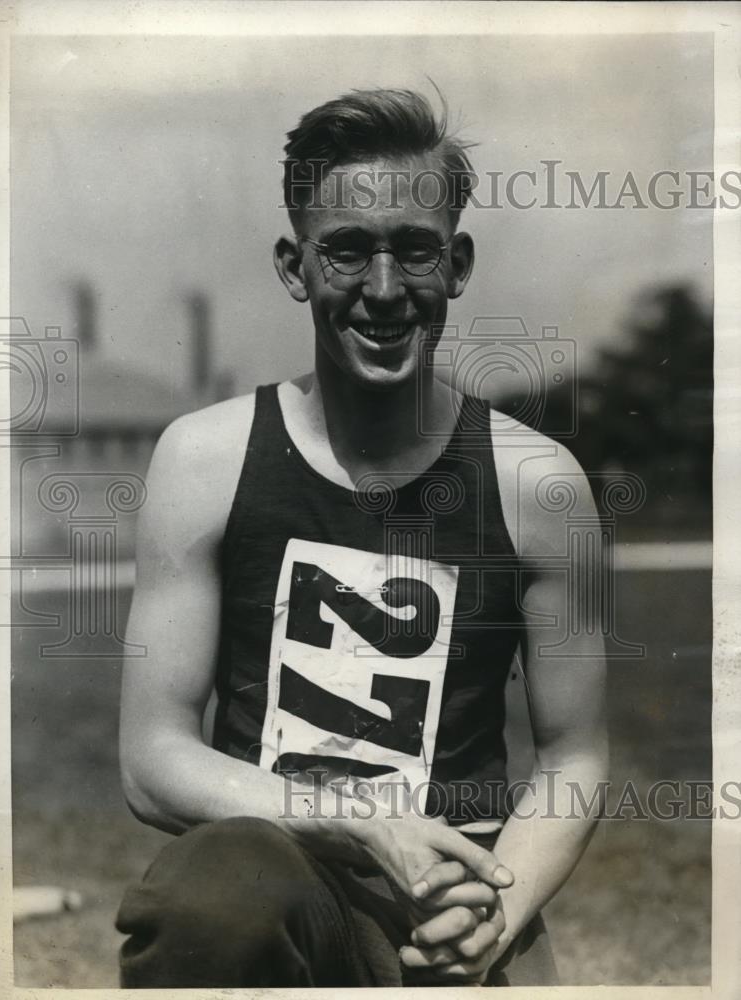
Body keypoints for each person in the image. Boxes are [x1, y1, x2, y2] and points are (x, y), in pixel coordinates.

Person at [115, 87, 607, 987]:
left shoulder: (538, 483)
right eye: (347, 250)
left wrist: (501, 904)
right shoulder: (205, 458)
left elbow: (575, 754)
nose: (384, 291)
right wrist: (360, 820)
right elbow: (152, 758)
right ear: (294, 265)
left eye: (414, 250)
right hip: (277, 882)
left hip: (452, 904)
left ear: (456, 262)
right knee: (212, 895)